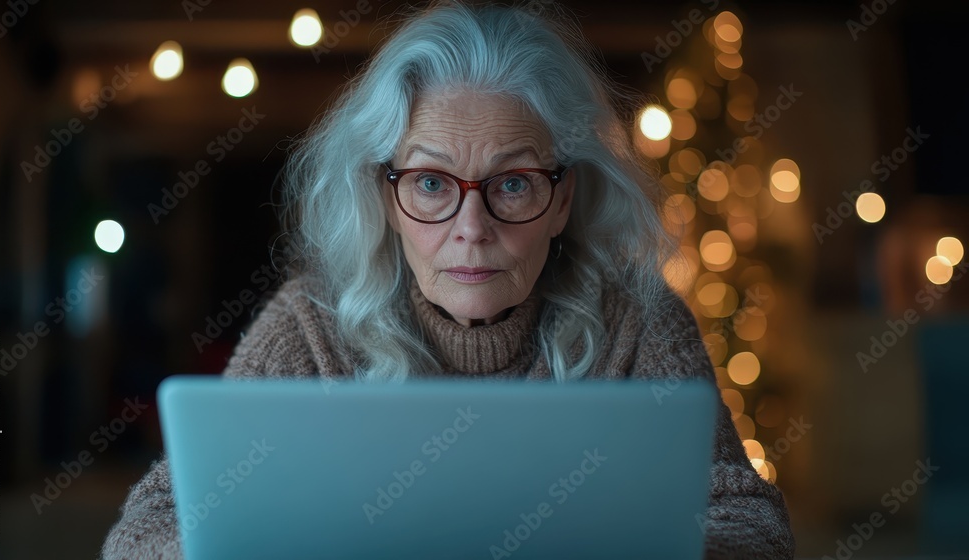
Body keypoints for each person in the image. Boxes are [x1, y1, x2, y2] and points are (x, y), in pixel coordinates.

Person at [102, 1, 795, 558]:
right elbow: (142, 531)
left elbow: (755, 526)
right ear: (385, 198)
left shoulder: (640, 321)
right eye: (431, 183)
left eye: (514, 184)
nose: (471, 227)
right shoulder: (312, 324)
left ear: (561, 201)